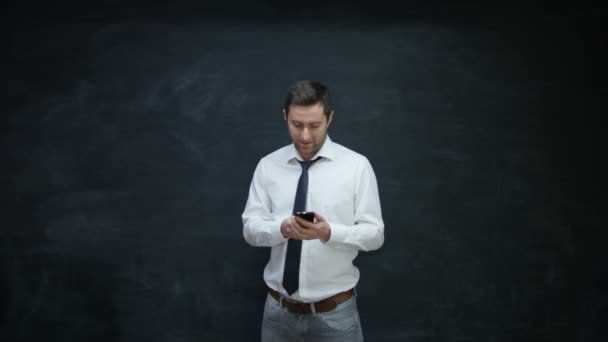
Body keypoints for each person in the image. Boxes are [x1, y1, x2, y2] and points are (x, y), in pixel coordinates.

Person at [242, 80, 384, 341]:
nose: (305, 136)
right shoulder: (268, 166)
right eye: (297, 125)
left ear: (330, 118)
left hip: (336, 316)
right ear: (285, 116)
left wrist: (329, 232)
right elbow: (250, 230)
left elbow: (374, 235)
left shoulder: (356, 167)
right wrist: (281, 228)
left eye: (314, 125)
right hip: (277, 314)